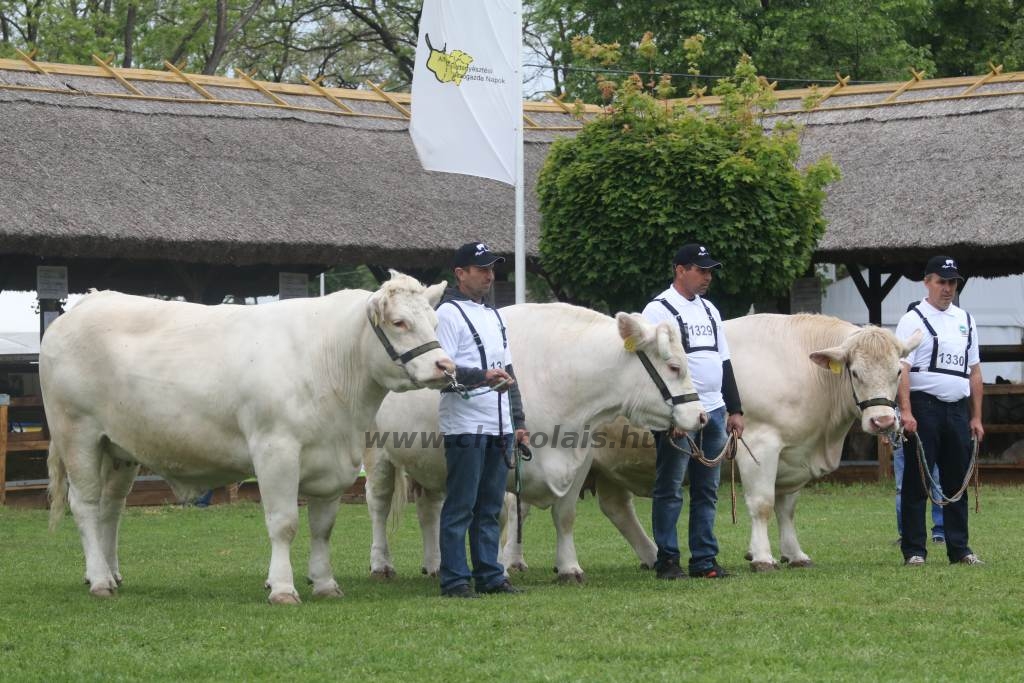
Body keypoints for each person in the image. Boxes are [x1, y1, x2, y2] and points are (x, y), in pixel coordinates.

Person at [641, 244, 744, 580]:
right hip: (681, 413)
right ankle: (668, 560)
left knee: (706, 489)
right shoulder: (657, 311)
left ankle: (704, 560)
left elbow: (724, 361)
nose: (707, 277)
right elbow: (653, 368)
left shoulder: (711, 310)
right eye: (701, 270)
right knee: (670, 487)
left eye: (709, 271)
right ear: (680, 270)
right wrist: (671, 415)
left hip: (714, 410)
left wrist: (736, 409)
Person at [435, 242, 529, 598]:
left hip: (499, 424)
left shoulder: (494, 316)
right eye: (482, 269)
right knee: (461, 504)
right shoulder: (447, 315)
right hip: (464, 424)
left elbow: (508, 371)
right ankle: (455, 579)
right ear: (460, 274)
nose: (490, 275)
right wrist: (480, 377)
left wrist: (518, 421)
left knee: (491, 506)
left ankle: (490, 575)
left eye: (492, 268)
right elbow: (441, 371)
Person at [896, 255, 984, 566]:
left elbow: (974, 371)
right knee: (917, 482)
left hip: (957, 411)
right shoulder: (913, 318)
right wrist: (905, 411)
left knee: (956, 481)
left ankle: (959, 549)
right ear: (927, 282)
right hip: (924, 407)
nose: (947, 288)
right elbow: (901, 369)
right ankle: (915, 550)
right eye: (941, 281)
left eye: (951, 282)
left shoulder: (966, 320)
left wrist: (976, 416)